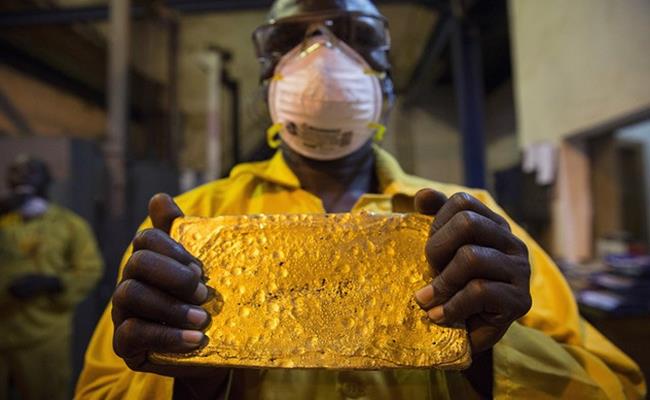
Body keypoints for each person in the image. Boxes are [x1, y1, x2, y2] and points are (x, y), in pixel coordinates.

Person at [76, 0, 645, 399]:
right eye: (293, 40)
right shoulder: (193, 223)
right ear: (268, 86)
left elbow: (617, 386)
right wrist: (188, 380)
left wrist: (496, 351)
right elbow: (100, 390)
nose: (322, 54)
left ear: (386, 88)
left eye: (354, 38)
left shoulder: (471, 223)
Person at [0, 155, 104, 400]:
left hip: (44, 334)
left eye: (31, 172)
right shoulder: (4, 220)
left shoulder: (69, 225)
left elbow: (90, 269)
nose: (23, 177)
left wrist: (53, 283)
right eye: (16, 172)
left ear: (47, 181)